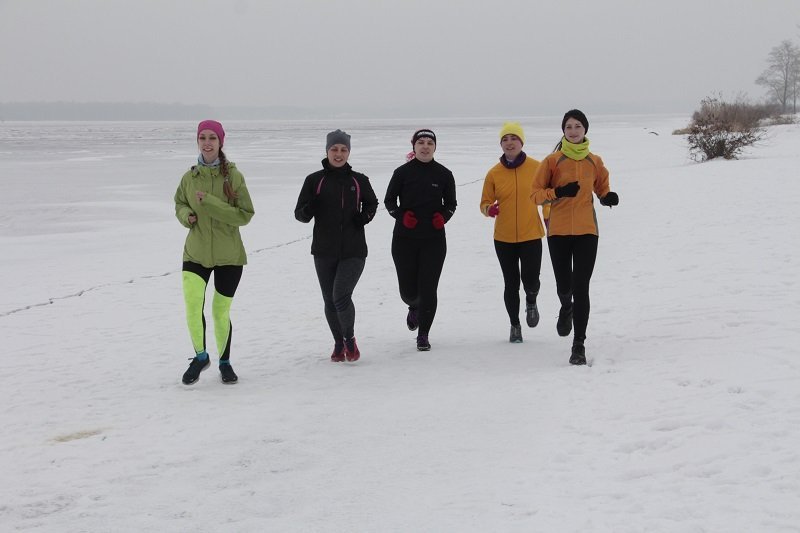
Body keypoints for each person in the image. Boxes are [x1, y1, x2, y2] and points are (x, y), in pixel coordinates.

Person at [531, 109, 619, 365]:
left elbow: (602, 188)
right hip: (557, 231)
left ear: (585, 129)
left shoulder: (595, 161)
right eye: (568, 126)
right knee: (564, 286)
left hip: (587, 231)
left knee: (581, 286)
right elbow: (535, 194)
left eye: (577, 126)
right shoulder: (552, 161)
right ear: (563, 131)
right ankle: (565, 306)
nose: (573, 130)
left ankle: (578, 344)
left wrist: (607, 198)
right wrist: (557, 192)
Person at [174, 120, 255, 384]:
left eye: (212, 138)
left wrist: (209, 204)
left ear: (221, 142)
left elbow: (245, 215)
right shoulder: (189, 177)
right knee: (192, 307)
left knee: (220, 311)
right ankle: (200, 357)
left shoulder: (233, 176)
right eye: (202, 138)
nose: (207, 142)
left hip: (228, 256)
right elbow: (179, 203)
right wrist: (187, 215)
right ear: (198, 141)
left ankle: (224, 362)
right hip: (195, 253)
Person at [294, 129, 378, 362]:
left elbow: (372, 203)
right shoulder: (314, 181)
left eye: (343, 150)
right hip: (323, 251)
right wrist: (310, 208)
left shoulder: (359, 180)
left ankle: (349, 339)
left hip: (354, 250)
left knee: (340, 295)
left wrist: (364, 216)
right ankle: (338, 343)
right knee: (330, 300)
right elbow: (299, 215)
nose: (338, 154)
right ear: (327, 151)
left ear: (349, 152)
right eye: (334, 149)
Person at [384, 129, 457, 351]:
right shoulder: (402, 173)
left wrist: (443, 217)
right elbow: (389, 202)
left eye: (429, 143)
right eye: (421, 142)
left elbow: (451, 204)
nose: (425, 146)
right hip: (404, 239)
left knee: (428, 289)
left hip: (433, 241)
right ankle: (413, 305)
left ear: (435, 147)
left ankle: (423, 335)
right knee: (408, 291)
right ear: (414, 146)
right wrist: (401, 216)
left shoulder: (444, 174)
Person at [480, 122, 546, 343]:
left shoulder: (537, 167)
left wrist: (548, 217)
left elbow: (546, 196)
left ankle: (531, 299)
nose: (509, 143)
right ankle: (515, 325)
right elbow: (484, 203)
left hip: (531, 235)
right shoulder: (493, 173)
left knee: (531, 280)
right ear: (501, 144)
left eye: (513, 138)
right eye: (505, 139)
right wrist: (490, 209)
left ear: (521, 142)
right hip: (504, 238)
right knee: (511, 283)